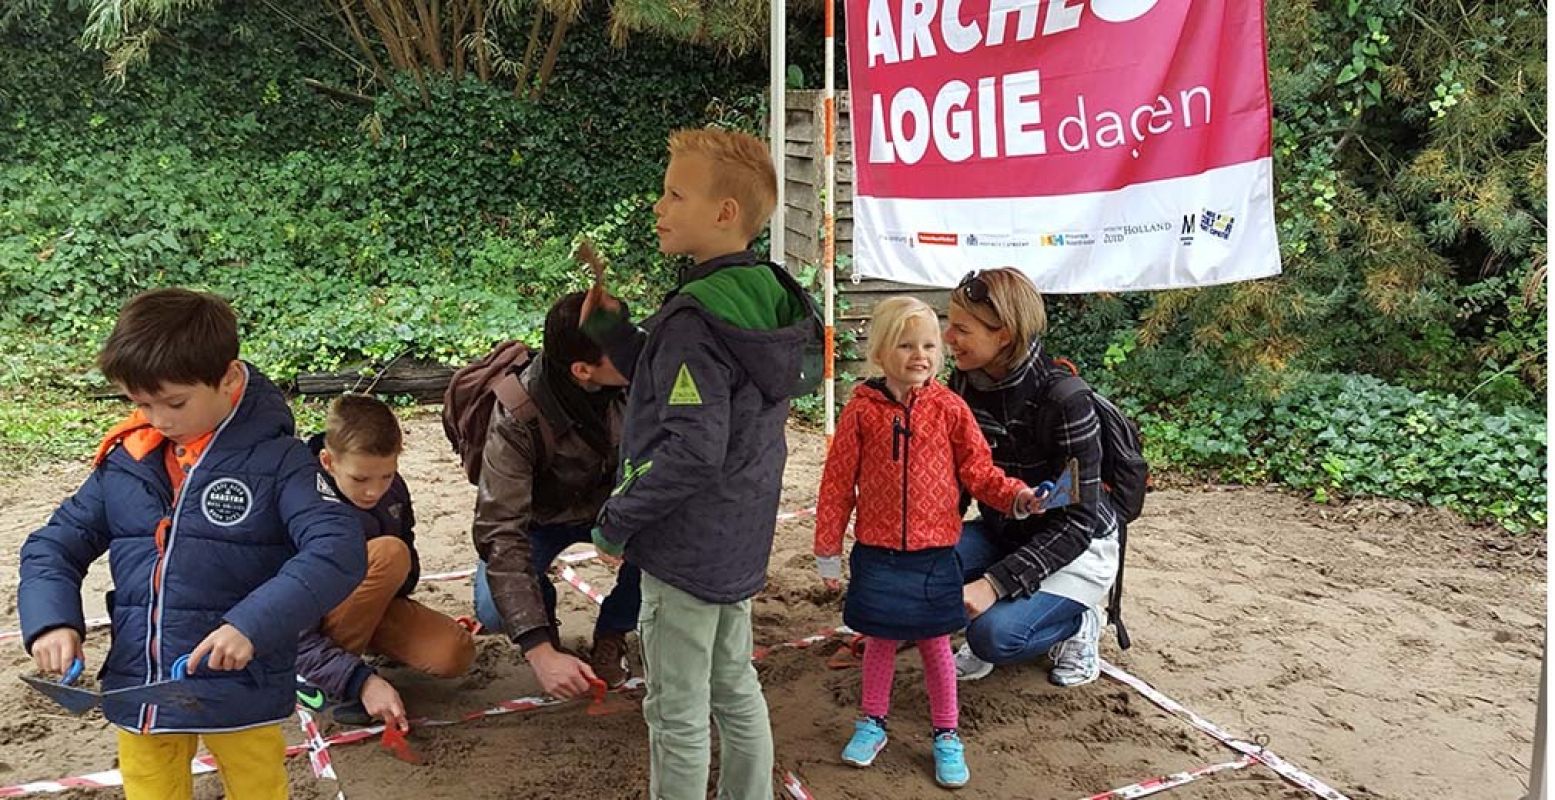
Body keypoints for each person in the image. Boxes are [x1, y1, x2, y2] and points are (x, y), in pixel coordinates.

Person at [18, 288, 365, 800]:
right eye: (140, 403)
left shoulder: (280, 461)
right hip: (142, 687)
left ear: (227, 379)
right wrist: (52, 621)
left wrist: (250, 624)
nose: (158, 419)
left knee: (258, 787)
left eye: (175, 402)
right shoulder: (127, 462)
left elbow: (338, 547)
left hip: (241, 688)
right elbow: (52, 546)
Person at [582, 127, 821, 800]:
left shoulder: (695, 319)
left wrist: (616, 520)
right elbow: (685, 385)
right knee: (733, 683)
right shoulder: (760, 298)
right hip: (738, 538)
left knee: (676, 710)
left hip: (686, 549)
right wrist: (612, 333)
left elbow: (691, 443)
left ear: (724, 213)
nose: (658, 206)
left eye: (674, 194)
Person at [813, 296, 1037, 789]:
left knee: (937, 643)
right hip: (877, 551)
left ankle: (946, 733)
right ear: (880, 351)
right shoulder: (861, 411)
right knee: (881, 639)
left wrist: (1015, 496)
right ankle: (872, 722)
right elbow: (836, 483)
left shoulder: (951, 409)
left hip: (936, 553)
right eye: (907, 344)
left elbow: (979, 470)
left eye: (930, 345)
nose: (921, 355)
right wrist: (827, 550)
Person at [941, 268, 1121, 687]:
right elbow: (959, 476)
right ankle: (1010, 600)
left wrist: (993, 583)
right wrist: (929, 538)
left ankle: (1079, 620)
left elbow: (1077, 523)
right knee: (922, 567)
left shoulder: (1065, 400)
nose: (948, 339)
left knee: (992, 637)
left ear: (1002, 335)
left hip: (1077, 548)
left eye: (961, 329)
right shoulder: (963, 385)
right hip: (1004, 531)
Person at [469, 291, 639, 696]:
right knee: (495, 612)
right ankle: (545, 622)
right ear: (582, 369)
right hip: (540, 521)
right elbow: (499, 530)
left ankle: (613, 631)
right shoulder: (516, 414)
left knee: (675, 541)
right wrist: (537, 646)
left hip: (618, 512)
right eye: (621, 346)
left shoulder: (640, 380)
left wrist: (624, 522)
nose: (638, 349)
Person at [295, 394, 476, 728]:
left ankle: (355, 650)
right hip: (304, 626)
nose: (373, 491)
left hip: (368, 604)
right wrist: (359, 680)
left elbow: (405, 567)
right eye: (361, 479)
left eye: (387, 476)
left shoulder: (393, 490)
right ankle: (318, 681)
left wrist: (381, 590)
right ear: (328, 461)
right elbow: (290, 627)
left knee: (454, 652)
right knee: (390, 553)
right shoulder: (298, 502)